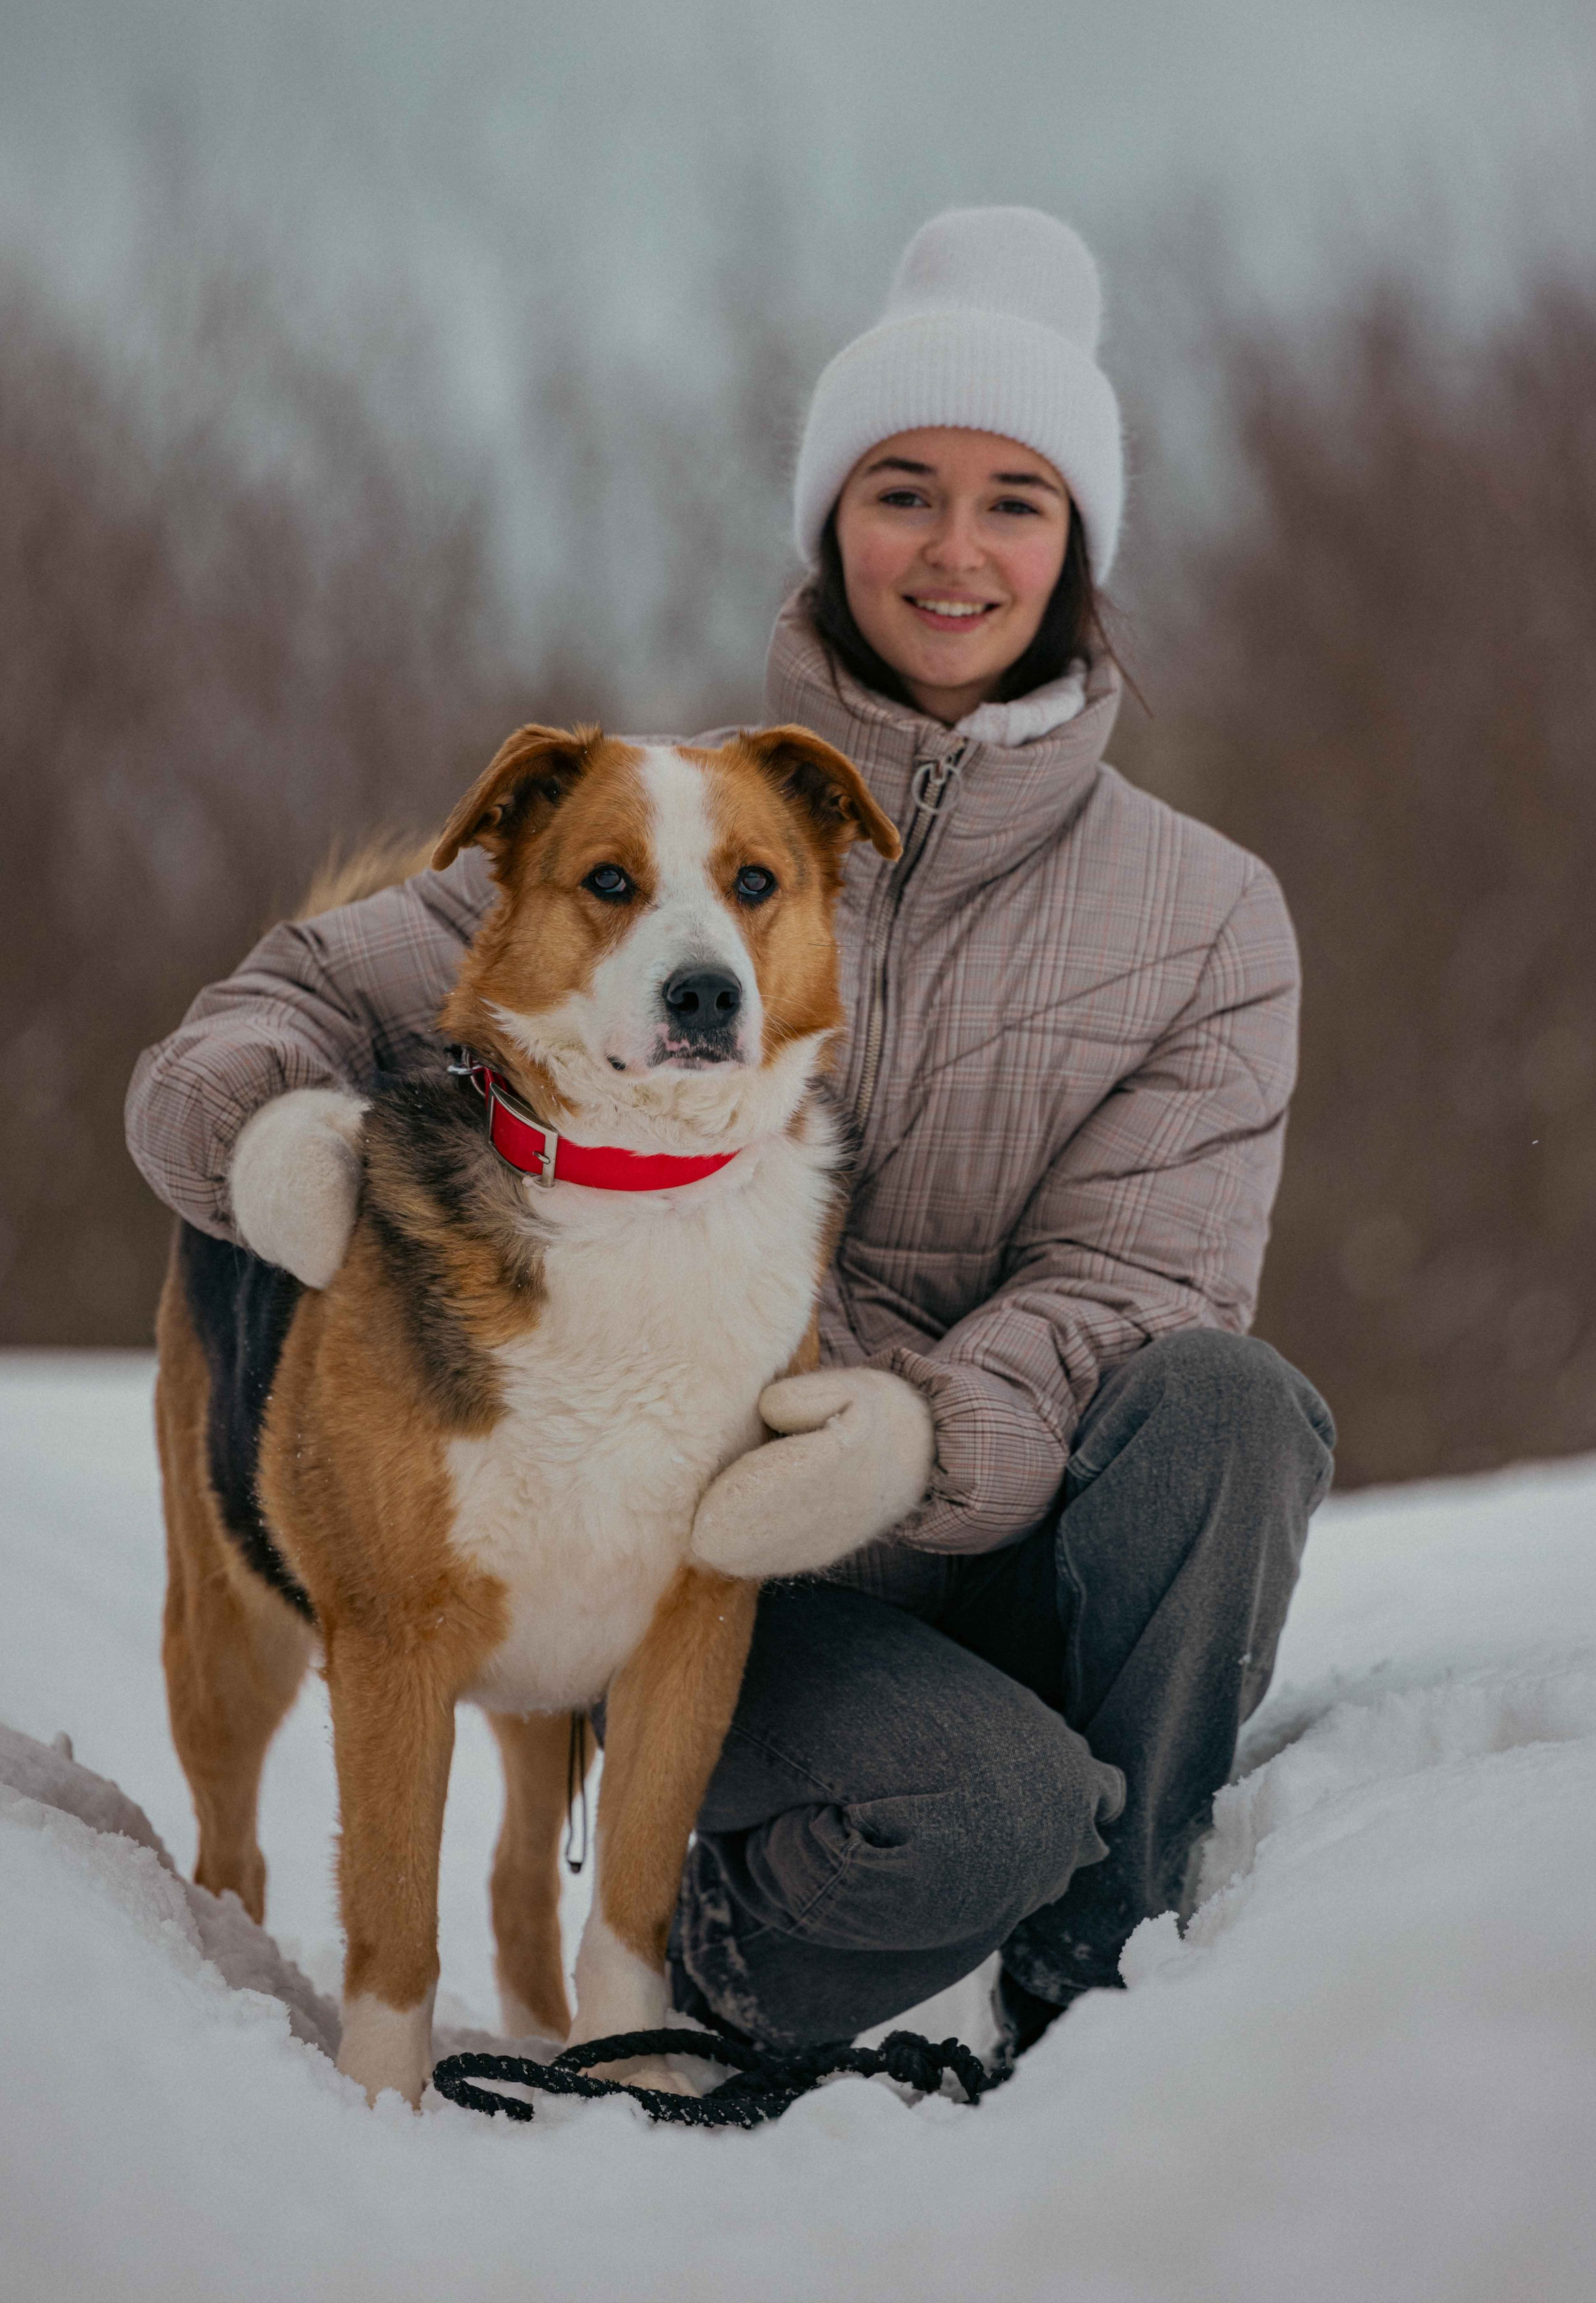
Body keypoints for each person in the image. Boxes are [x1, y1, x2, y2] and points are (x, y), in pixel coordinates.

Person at [127, 205, 1334, 2063]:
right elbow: (272, 1002)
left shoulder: (1208, 911)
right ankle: (732, 1934)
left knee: (1235, 1400)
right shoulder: (660, 825)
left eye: (1015, 498)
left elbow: (1143, 1278)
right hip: (740, 1574)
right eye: (900, 490)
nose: (953, 547)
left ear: (1078, 543)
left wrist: (919, 1439)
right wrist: (262, 1140)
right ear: (830, 525)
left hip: (998, 1516)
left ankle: (1111, 1979)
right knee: (983, 1807)